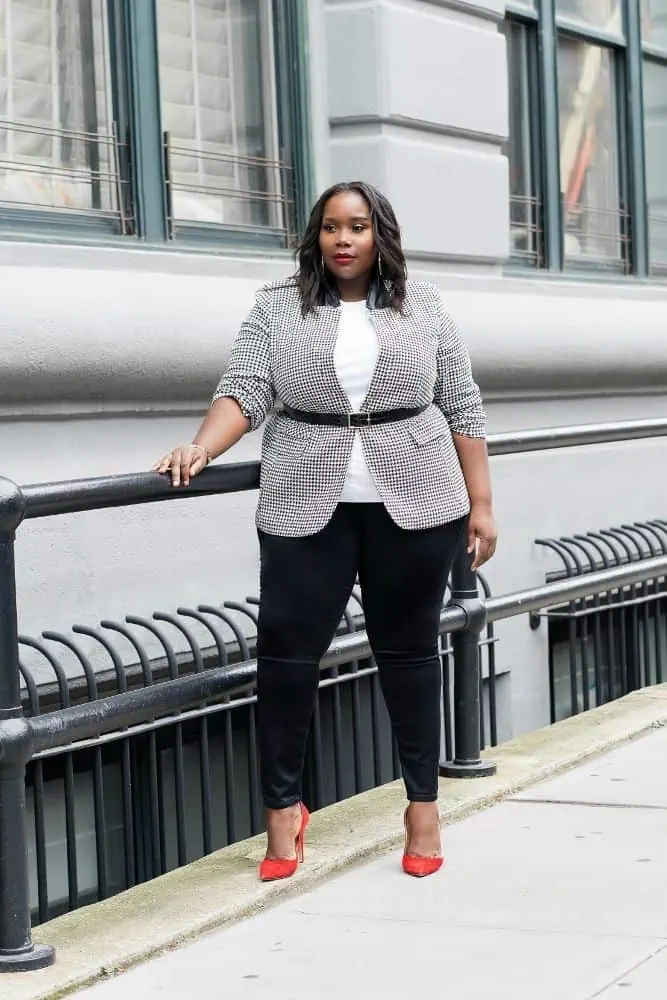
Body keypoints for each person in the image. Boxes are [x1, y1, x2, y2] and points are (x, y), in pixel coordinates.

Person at [153, 181, 497, 880]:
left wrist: (481, 504)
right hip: (305, 498)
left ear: (380, 236)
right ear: (314, 237)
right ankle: (283, 813)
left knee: (408, 655)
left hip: (418, 500)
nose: (344, 240)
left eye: (359, 227)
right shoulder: (275, 307)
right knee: (286, 655)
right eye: (331, 227)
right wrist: (202, 447)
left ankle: (422, 807)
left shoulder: (423, 306)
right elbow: (245, 388)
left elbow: (460, 403)